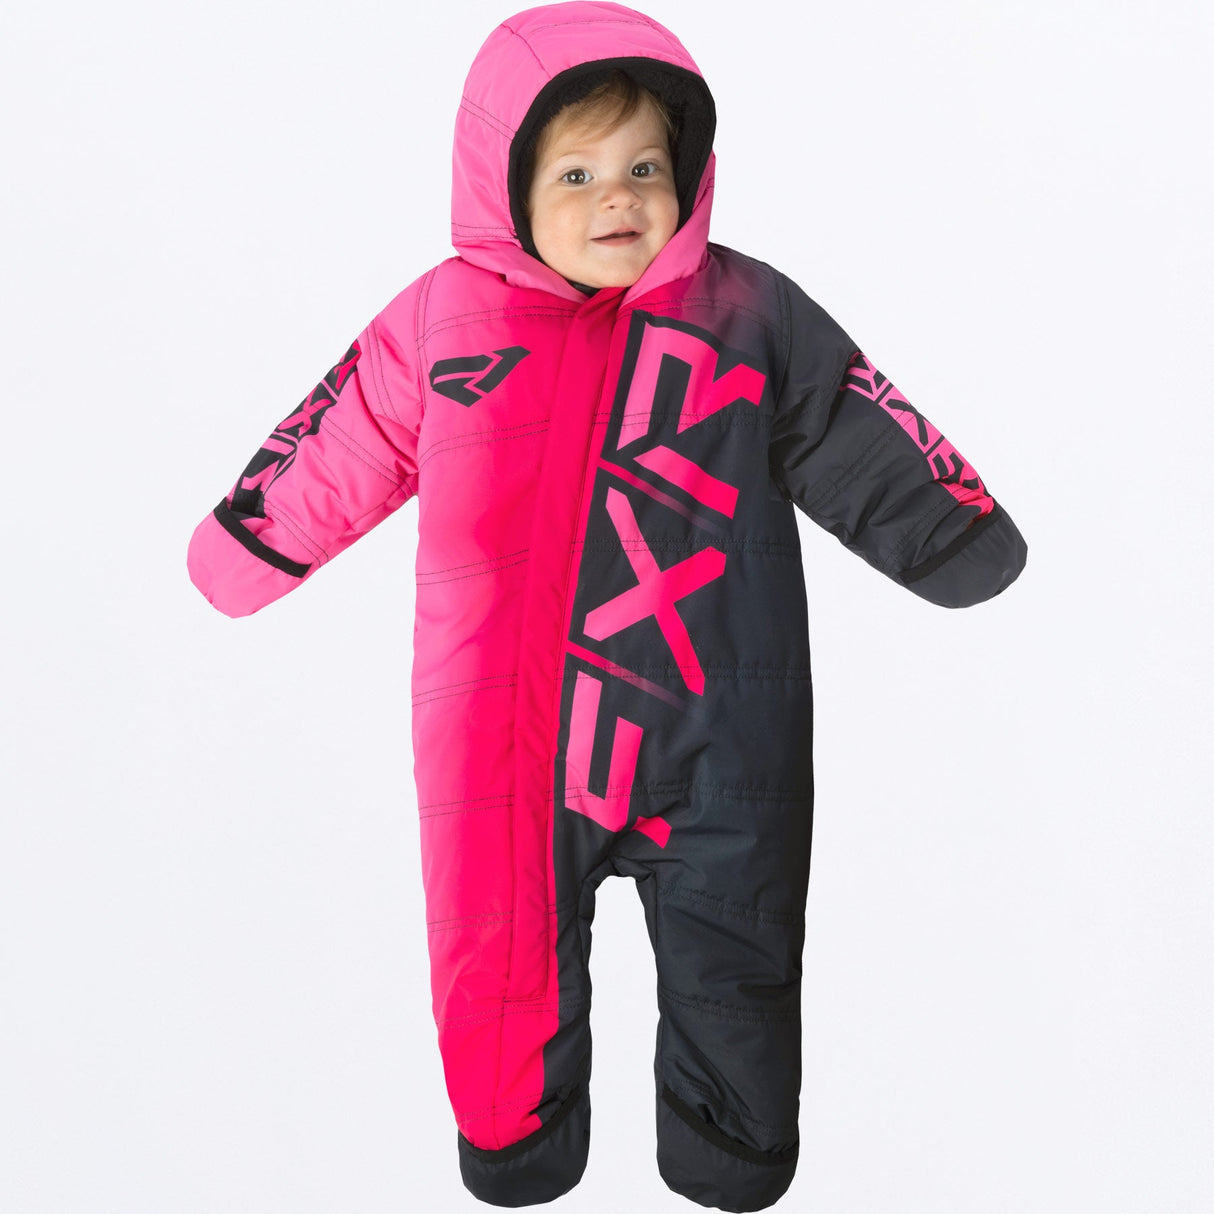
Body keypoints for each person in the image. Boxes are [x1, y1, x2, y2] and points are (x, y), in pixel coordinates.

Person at [187, 3, 1027, 1210]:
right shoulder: (440, 321)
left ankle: (731, 1155)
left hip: (721, 728)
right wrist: (250, 541)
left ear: (687, 173)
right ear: (503, 186)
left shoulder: (745, 312)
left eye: (643, 168)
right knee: (497, 964)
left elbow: (852, 417)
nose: (616, 198)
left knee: (737, 957)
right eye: (575, 174)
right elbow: (341, 430)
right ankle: (517, 1152)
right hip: (504, 742)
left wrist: (948, 530)